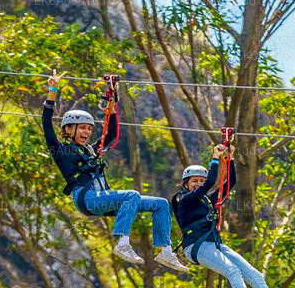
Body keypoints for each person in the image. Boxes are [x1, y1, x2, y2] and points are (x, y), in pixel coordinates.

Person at [42, 73, 188, 273]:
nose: (86, 132)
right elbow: (46, 125)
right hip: (87, 198)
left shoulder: (92, 150)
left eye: (88, 129)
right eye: (82, 128)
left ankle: (165, 250)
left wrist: (112, 104)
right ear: (68, 129)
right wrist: (52, 92)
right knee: (132, 194)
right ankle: (122, 243)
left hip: (102, 198)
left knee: (160, 204)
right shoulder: (62, 151)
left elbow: (110, 136)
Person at [171, 144, 295, 288]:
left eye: (200, 180)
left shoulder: (205, 200)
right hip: (196, 247)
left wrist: (229, 159)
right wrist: (215, 157)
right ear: (186, 184)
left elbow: (229, 183)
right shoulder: (184, 200)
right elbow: (210, 182)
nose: (197, 184)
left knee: (255, 275)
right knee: (232, 271)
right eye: (194, 181)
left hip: (214, 244)